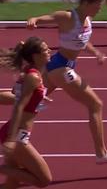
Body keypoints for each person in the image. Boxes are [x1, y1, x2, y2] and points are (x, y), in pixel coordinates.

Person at [26, 0, 107, 164]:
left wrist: (95, 52)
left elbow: (82, 40)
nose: (100, 10)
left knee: (29, 104)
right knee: (95, 104)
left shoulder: (87, 19)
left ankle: (12, 138)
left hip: (58, 66)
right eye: (97, 6)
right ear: (86, 4)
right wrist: (34, 19)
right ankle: (101, 153)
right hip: (61, 68)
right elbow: (47, 18)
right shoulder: (68, 17)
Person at [0, 36, 53, 188]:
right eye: (45, 49)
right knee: (43, 180)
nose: (50, 51)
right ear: (36, 56)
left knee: (12, 184)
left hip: (15, 133)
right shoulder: (33, 77)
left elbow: (17, 93)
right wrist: (11, 139)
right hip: (16, 136)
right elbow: (19, 106)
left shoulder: (30, 71)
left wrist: (40, 97)